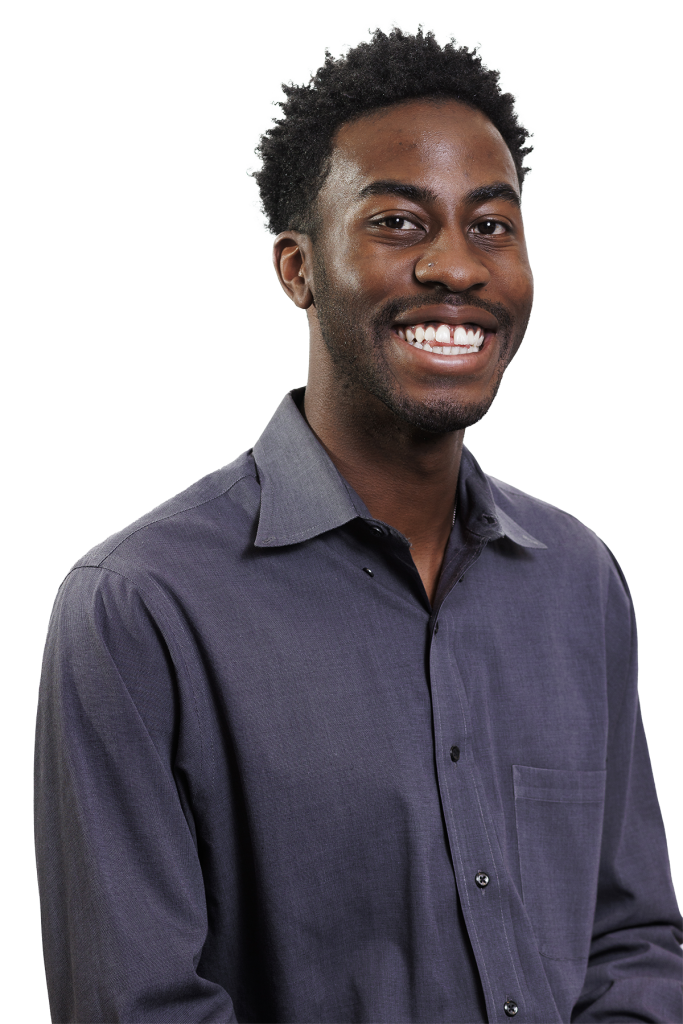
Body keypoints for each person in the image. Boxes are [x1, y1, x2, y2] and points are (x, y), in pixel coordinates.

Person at [34, 22, 683, 1024]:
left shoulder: (577, 580)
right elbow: (138, 1006)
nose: (457, 269)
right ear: (297, 269)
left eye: (491, 225)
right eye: (396, 223)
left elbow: (629, 938)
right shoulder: (140, 608)